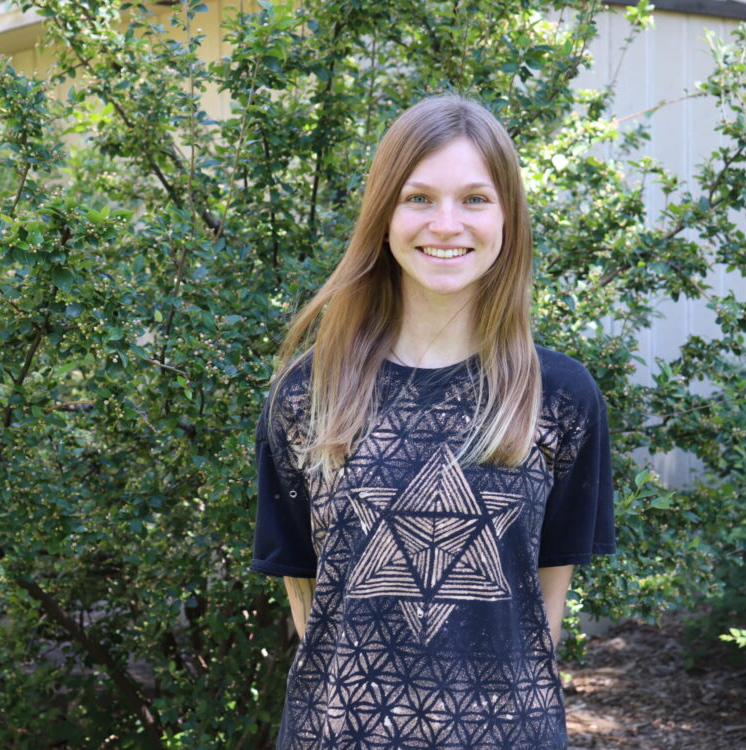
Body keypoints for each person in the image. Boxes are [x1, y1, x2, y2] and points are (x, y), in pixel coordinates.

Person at [251, 94, 615, 750]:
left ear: (508, 217)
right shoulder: (308, 394)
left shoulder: (561, 397)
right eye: (419, 198)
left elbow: (543, 610)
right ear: (384, 215)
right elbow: (308, 603)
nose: (446, 224)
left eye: (475, 199)